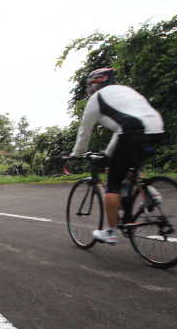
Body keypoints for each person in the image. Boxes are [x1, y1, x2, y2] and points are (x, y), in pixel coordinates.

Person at [66, 68, 164, 245]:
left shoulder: (97, 98)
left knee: (113, 183)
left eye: (90, 89)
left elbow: (84, 131)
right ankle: (150, 192)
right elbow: (120, 134)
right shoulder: (127, 91)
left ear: (94, 85)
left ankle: (111, 232)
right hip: (157, 128)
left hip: (133, 130)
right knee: (128, 166)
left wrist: (77, 154)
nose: (91, 92)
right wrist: (108, 154)